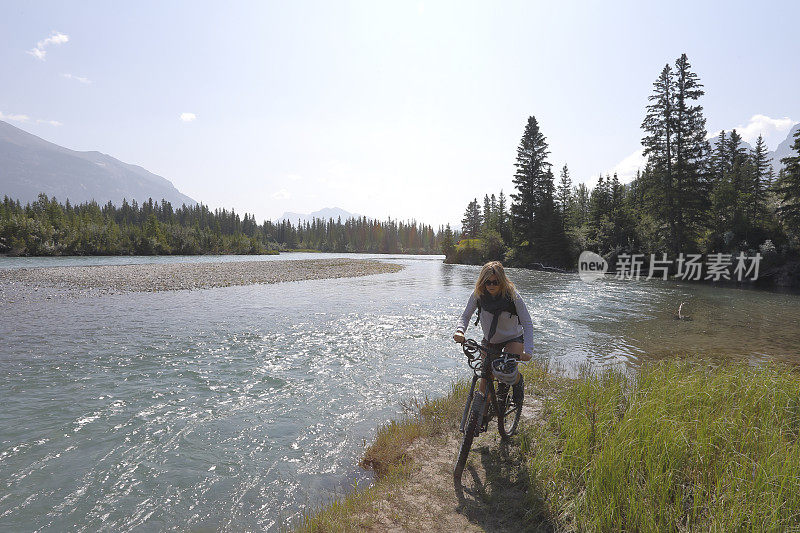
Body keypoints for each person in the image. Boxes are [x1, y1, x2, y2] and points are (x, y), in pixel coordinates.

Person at [453, 261, 533, 405]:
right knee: (485, 378)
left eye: (495, 282)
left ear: (501, 281)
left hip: (513, 337)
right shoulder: (478, 294)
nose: (491, 285)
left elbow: (527, 323)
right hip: (491, 340)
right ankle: (479, 418)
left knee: (507, 373)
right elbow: (465, 316)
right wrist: (460, 331)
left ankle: (517, 381)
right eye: (487, 282)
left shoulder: (513, 296)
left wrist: (528, 351)